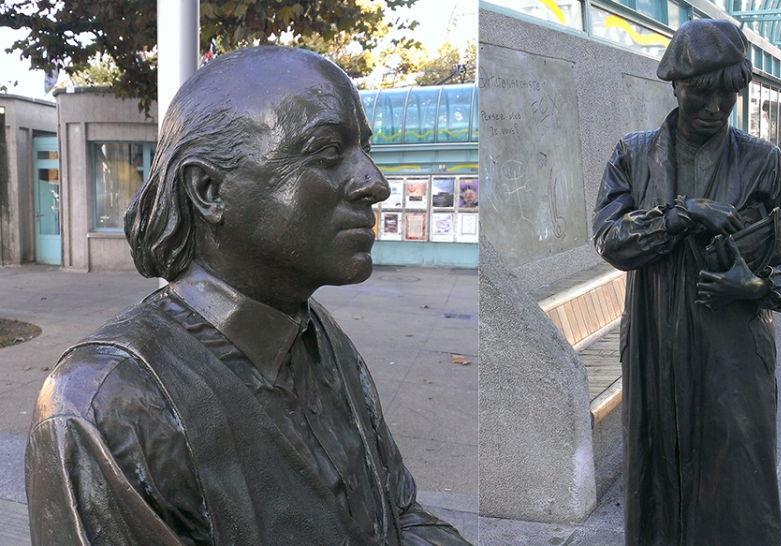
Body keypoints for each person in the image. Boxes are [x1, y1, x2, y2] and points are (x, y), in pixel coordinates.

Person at [25, 47, 469, 546]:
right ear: (209, 190)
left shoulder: (320, 336)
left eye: (364, 150)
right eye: (328, 152)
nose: (375, 184)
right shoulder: (104, 405)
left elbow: (400, 514)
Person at [592, 19, 781, 546]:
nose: (715, 107)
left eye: (727, 94)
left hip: (733, 362)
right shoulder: (634, 156)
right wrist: (678, 215)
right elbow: (610, 240)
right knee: (657, 490)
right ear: (677, 85)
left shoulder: (763, 163)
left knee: (736, 497)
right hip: (655, 353)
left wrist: (759, 287)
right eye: (702, 92)